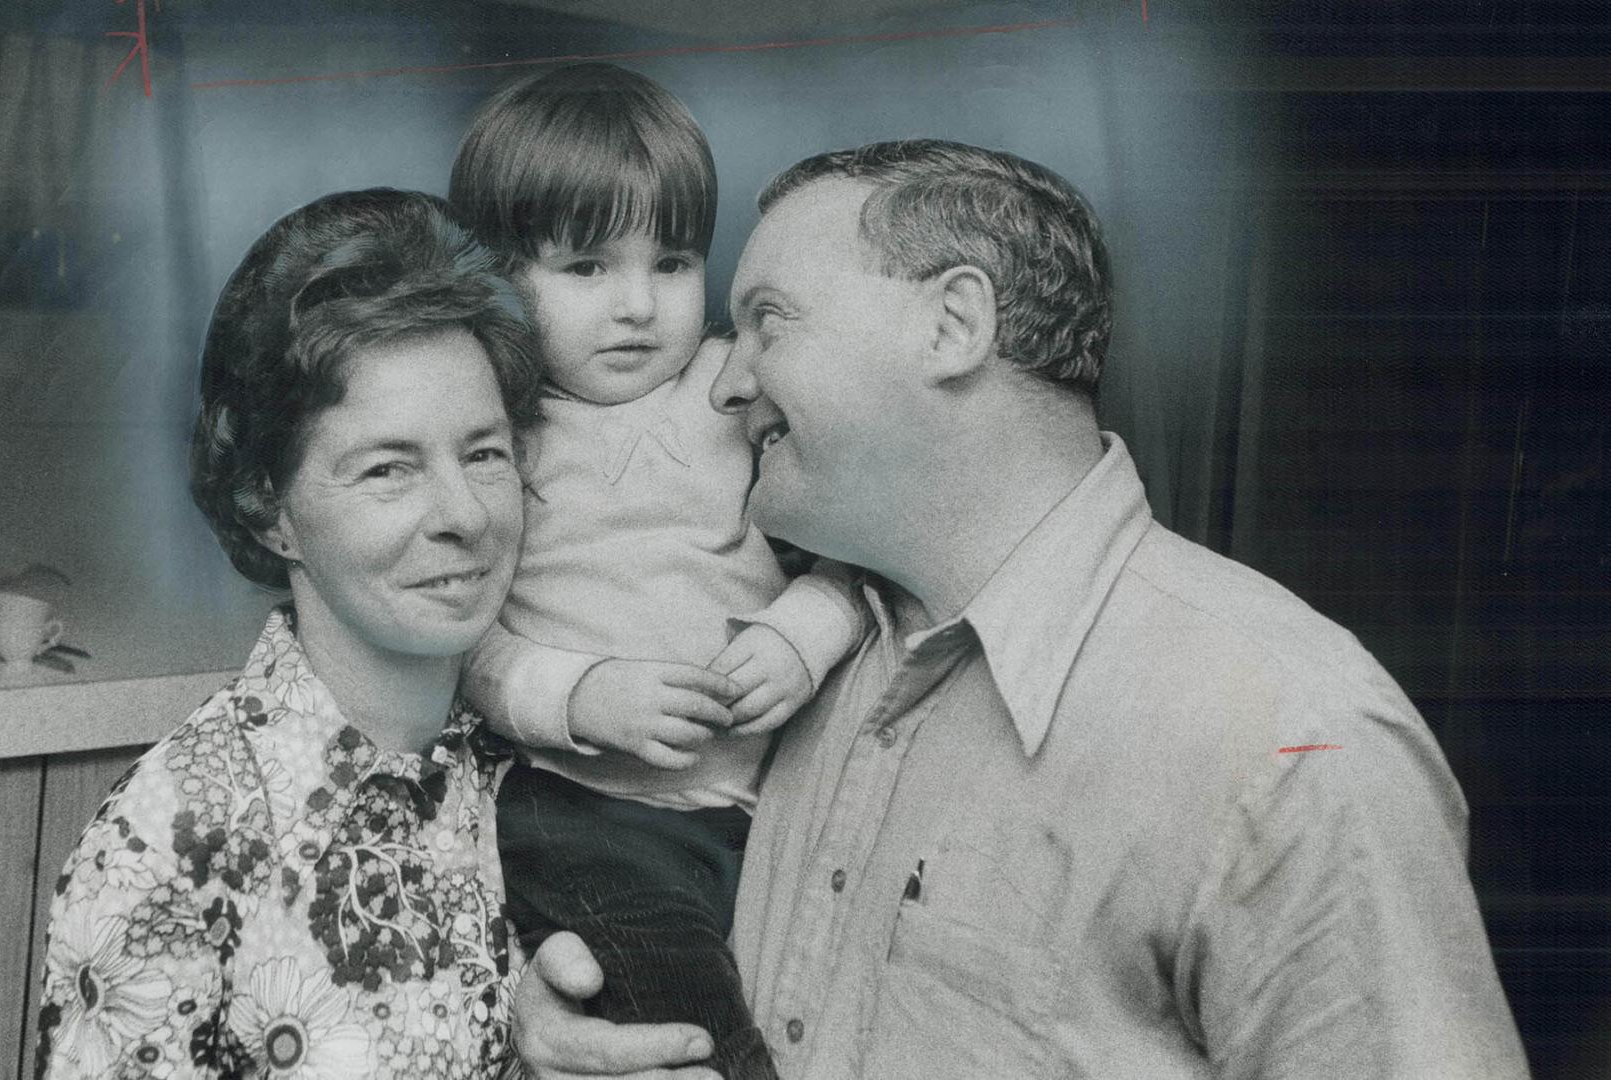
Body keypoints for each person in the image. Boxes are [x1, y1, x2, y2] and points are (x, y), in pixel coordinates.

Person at [511, 139, 1532, 1079]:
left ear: (952, 325)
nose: (727, 381)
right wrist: (565, 1031)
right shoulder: (798, 659)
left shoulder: (1290, 738)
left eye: (768, 324)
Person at [34, 189, 536, 1079]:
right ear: (270, 511)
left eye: (485, 453)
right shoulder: (172, 834)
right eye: (388, 468)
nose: (464, 514)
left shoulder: (534, 767)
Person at [446, 64, 864, 1080]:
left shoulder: (736, 393)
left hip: (756, 812)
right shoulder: (495, 434)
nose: (638, 306)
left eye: (671, 262)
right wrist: (581, 695)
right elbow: (459, 644)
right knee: (678, 1011)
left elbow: (862, 566)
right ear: (500, 278)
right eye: (586, 269)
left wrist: (797, 638)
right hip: (583, 810)